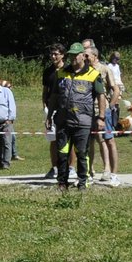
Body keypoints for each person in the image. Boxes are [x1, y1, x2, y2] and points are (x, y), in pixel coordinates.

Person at [52, 42, 104, 190]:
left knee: (81, 153)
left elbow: (101, 96)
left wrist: (101, 117)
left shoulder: (94, 74)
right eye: (71, 55)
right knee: (62, 154)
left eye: (76, 55)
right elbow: (54, 96)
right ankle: (62, 182)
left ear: (83, 56)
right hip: (63, 120)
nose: (74, 58)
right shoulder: (61, 72)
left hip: (83, 121)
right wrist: (49, 116)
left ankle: (83, 182)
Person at [87, 45, 121, 185]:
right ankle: (89, 171)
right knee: (88, 141)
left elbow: (116, 90)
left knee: (108, 140)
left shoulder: (105, 69)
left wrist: (110, 107)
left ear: (95, 56)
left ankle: (110, 171)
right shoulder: (84, 70)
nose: (84, 58)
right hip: (87, 111)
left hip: (102, 110)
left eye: (87, 55)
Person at [40, 45, 66, 179]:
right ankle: (54, 167)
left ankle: (70, 168)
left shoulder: (68, 69)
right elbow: (45, 91)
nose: (53, 56)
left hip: (65, 108)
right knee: (53, 139)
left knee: (68, 139)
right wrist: (45, 107)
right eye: (51, 54)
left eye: (56, 54)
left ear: (62, 55)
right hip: (51, 108)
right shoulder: (47, 71)